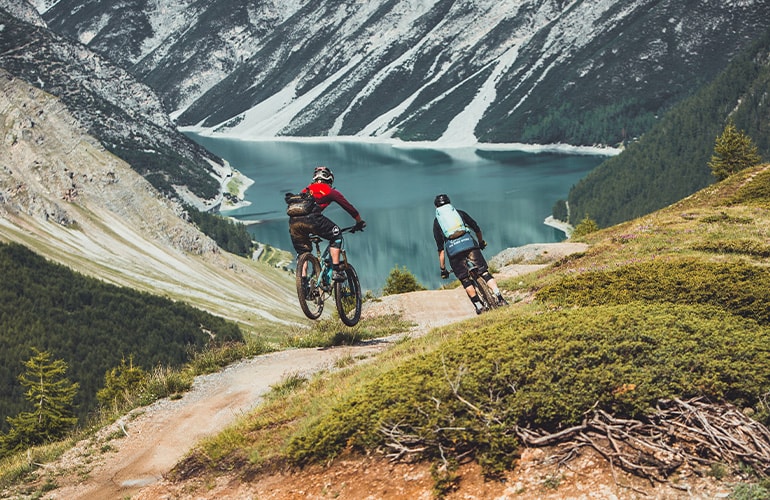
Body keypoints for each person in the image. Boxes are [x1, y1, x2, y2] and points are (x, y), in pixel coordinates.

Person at [287, 166, 366, 282]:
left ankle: (303, 284)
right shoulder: (330, 191)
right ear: (330, 179)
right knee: (336, 234)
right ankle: (336, 270)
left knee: (302, 251)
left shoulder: (305, 190)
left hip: (294, 223)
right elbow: (349, 207)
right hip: (312, 220)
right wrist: (359, 222)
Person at [432, 193, 507, 314]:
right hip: (470, 245)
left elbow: (440, 249)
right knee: (484, 272)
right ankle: (500, 298)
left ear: (436, 207)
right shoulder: (460, 214)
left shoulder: (437, 222)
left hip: (453, 251)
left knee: (465, 280)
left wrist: (443, 269)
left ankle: (479, 306)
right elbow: (476, 228)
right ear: (449, 203)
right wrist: (481, 242)